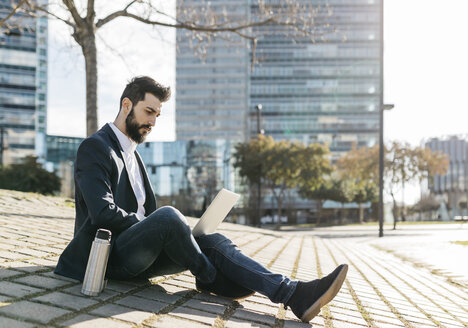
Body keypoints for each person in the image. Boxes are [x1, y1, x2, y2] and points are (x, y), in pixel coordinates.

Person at [54, 76, 348, 323]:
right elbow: (102, 212)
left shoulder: (134, 155)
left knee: (213, 240)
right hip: (109, 257)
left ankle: (293, 294)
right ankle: (210, 276)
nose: (153, 121)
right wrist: (152, 225)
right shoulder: (95, 148)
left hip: (140, 256)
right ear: (126, 105)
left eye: (158, 114)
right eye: (148, 112)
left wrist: (167, 232)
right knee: (169, 217)